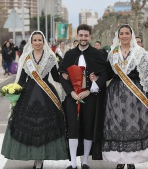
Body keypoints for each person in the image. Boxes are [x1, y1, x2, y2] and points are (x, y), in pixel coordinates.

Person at [91, 24, 148, 169]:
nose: (124, 36)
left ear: (131, 35)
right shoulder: (113, 53)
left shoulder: (140, 53)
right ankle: (121, 160)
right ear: (118, 36)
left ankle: (132, 160)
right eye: (122, 33)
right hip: (115, 95)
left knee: (134, 126)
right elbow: (108, 73)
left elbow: (146, 77)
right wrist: (96, 77)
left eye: (127, 33)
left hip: (135, 94)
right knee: (118, 126)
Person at [1, 31, 68, 169]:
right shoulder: (26, 58)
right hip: (28, 93)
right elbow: (21, 79)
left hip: (46, 95)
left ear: (44, 42)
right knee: (28, 127)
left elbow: (55, 77)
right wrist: (14, 92)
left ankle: (41, 158)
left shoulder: (50, 57)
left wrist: (68, 79)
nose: (37, 42)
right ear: (31, 42)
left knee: (45, 127)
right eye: (35, 40)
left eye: (40, 40)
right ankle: (33, 155)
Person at [59, 24, 108, 169]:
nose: (83, 38)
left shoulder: (98, 54)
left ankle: (85, 161)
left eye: (86, 36)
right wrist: (71, 92)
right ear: (77, 36)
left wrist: (91, 89)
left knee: (88, 127)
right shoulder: (69, 54)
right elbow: (61, 75)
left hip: (90, 97)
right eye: (81, 35)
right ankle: (73, 163)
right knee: (73, 128)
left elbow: (104, 74)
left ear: (90, 37)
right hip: (72, 98)